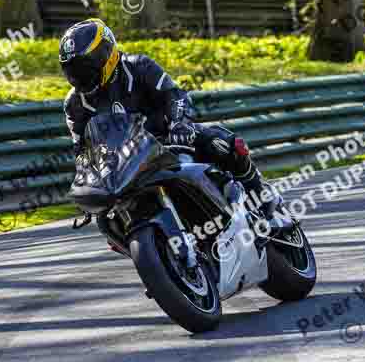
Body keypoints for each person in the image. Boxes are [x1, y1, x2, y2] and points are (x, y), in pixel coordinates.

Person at [60, 18, 280, 222]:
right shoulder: (75, 103)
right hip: (125, 165)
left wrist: (180, 123)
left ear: (105, 53)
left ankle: (260, 192)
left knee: (220, 142)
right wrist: (86, 181)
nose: (79, 76)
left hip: (168, 139)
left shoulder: (138, 66)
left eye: (85, 67)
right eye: (73, 71)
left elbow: (174, 95)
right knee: (107, 217)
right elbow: (82, 150)